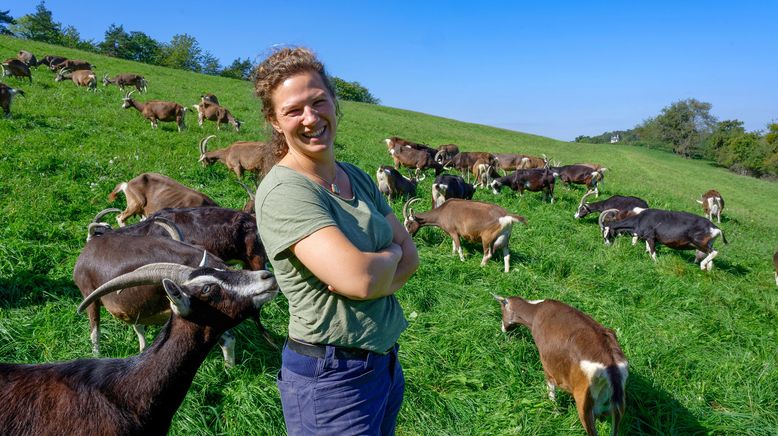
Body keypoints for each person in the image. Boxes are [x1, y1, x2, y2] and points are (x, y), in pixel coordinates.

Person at [253, 47, 419, 435]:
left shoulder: (357, 177)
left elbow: (410, 257)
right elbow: (360, 279)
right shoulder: (285, 192)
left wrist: (384, 263)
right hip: (332, 379)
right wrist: (381, 263)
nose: (310, 119)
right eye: (294, 110)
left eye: (318, 102)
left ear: (333, 103)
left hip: (384, 363)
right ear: (275, 121)